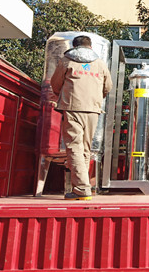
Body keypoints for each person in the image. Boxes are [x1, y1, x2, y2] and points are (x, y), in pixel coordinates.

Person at [51, 35, 112, 200]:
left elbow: (55, 84)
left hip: (72, 107)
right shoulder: (100, 63)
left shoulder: (66, 61)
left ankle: (82, 189)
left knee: (74, 147)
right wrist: (94, 98)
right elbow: (108, 87)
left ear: (74, 46)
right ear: (90, 47)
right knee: (85, 149)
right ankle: (80, 188)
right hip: (93, 110)